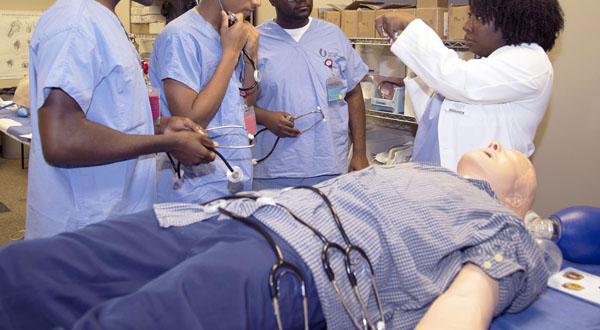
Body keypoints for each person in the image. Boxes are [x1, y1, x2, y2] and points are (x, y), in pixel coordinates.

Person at [0, 142, 551, 330]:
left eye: (516, 157)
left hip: (292, 265)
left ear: (517, 200)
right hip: (218, 219)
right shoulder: (421, 169)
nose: (499, 143)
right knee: (25, 271)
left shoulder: (505, 230)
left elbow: (467, 304)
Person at [25, 0, 216, 239]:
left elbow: (105, 119)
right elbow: (61, 139)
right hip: (82, 233)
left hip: (113, 222)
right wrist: (162, 145)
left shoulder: (104, 20)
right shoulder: (75, 24)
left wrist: (160, 128)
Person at [376, 0, 564, 171]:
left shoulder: (531, 63)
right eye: (470, 15)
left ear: (511, 21)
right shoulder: (488, 64)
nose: (467, 26)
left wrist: (410, 24)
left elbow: (456, 79)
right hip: (440, 182)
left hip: (485, 189)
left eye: (479, 17)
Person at [149, 0, 277, 203]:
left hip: (234, 174)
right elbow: (191, 122)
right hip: (194, 189)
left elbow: (247, 102)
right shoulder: (180, 36)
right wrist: (230, 52)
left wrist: (248, 54)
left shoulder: (233, 30)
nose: (257, 0)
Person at [252, 0, 369, 190]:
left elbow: (353, 93)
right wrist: (265, 117)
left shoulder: (333, 36)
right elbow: (237, 102)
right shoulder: (256, 40)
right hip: (274, 169)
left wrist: (360, 154)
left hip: (330, 166)